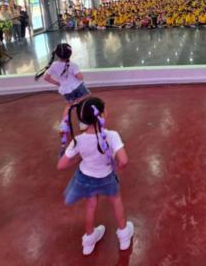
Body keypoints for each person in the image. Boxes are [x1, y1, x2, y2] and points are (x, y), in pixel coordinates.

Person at [57, 98, 134, 255]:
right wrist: (120, 167)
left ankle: (89, 240)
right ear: (102, 114)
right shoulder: (112, 135)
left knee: (91, 205)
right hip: (106, 177)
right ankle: (124, 235)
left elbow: (61, 165)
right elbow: (124, 160)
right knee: (116, 201)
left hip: (86, 178)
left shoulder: (78, 140)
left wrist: (79, 158)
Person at [36, 43, 91, 147]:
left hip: (66, 89)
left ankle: (63, 125)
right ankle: (83, 123)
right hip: (77, 87)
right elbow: (80, 77)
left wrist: (58, 83)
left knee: (69, 106)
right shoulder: (73, 65)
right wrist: (78, 75)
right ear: (70, 54)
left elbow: (46, 77)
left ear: (57, 54)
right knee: (81, 104)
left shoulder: (53, 65)